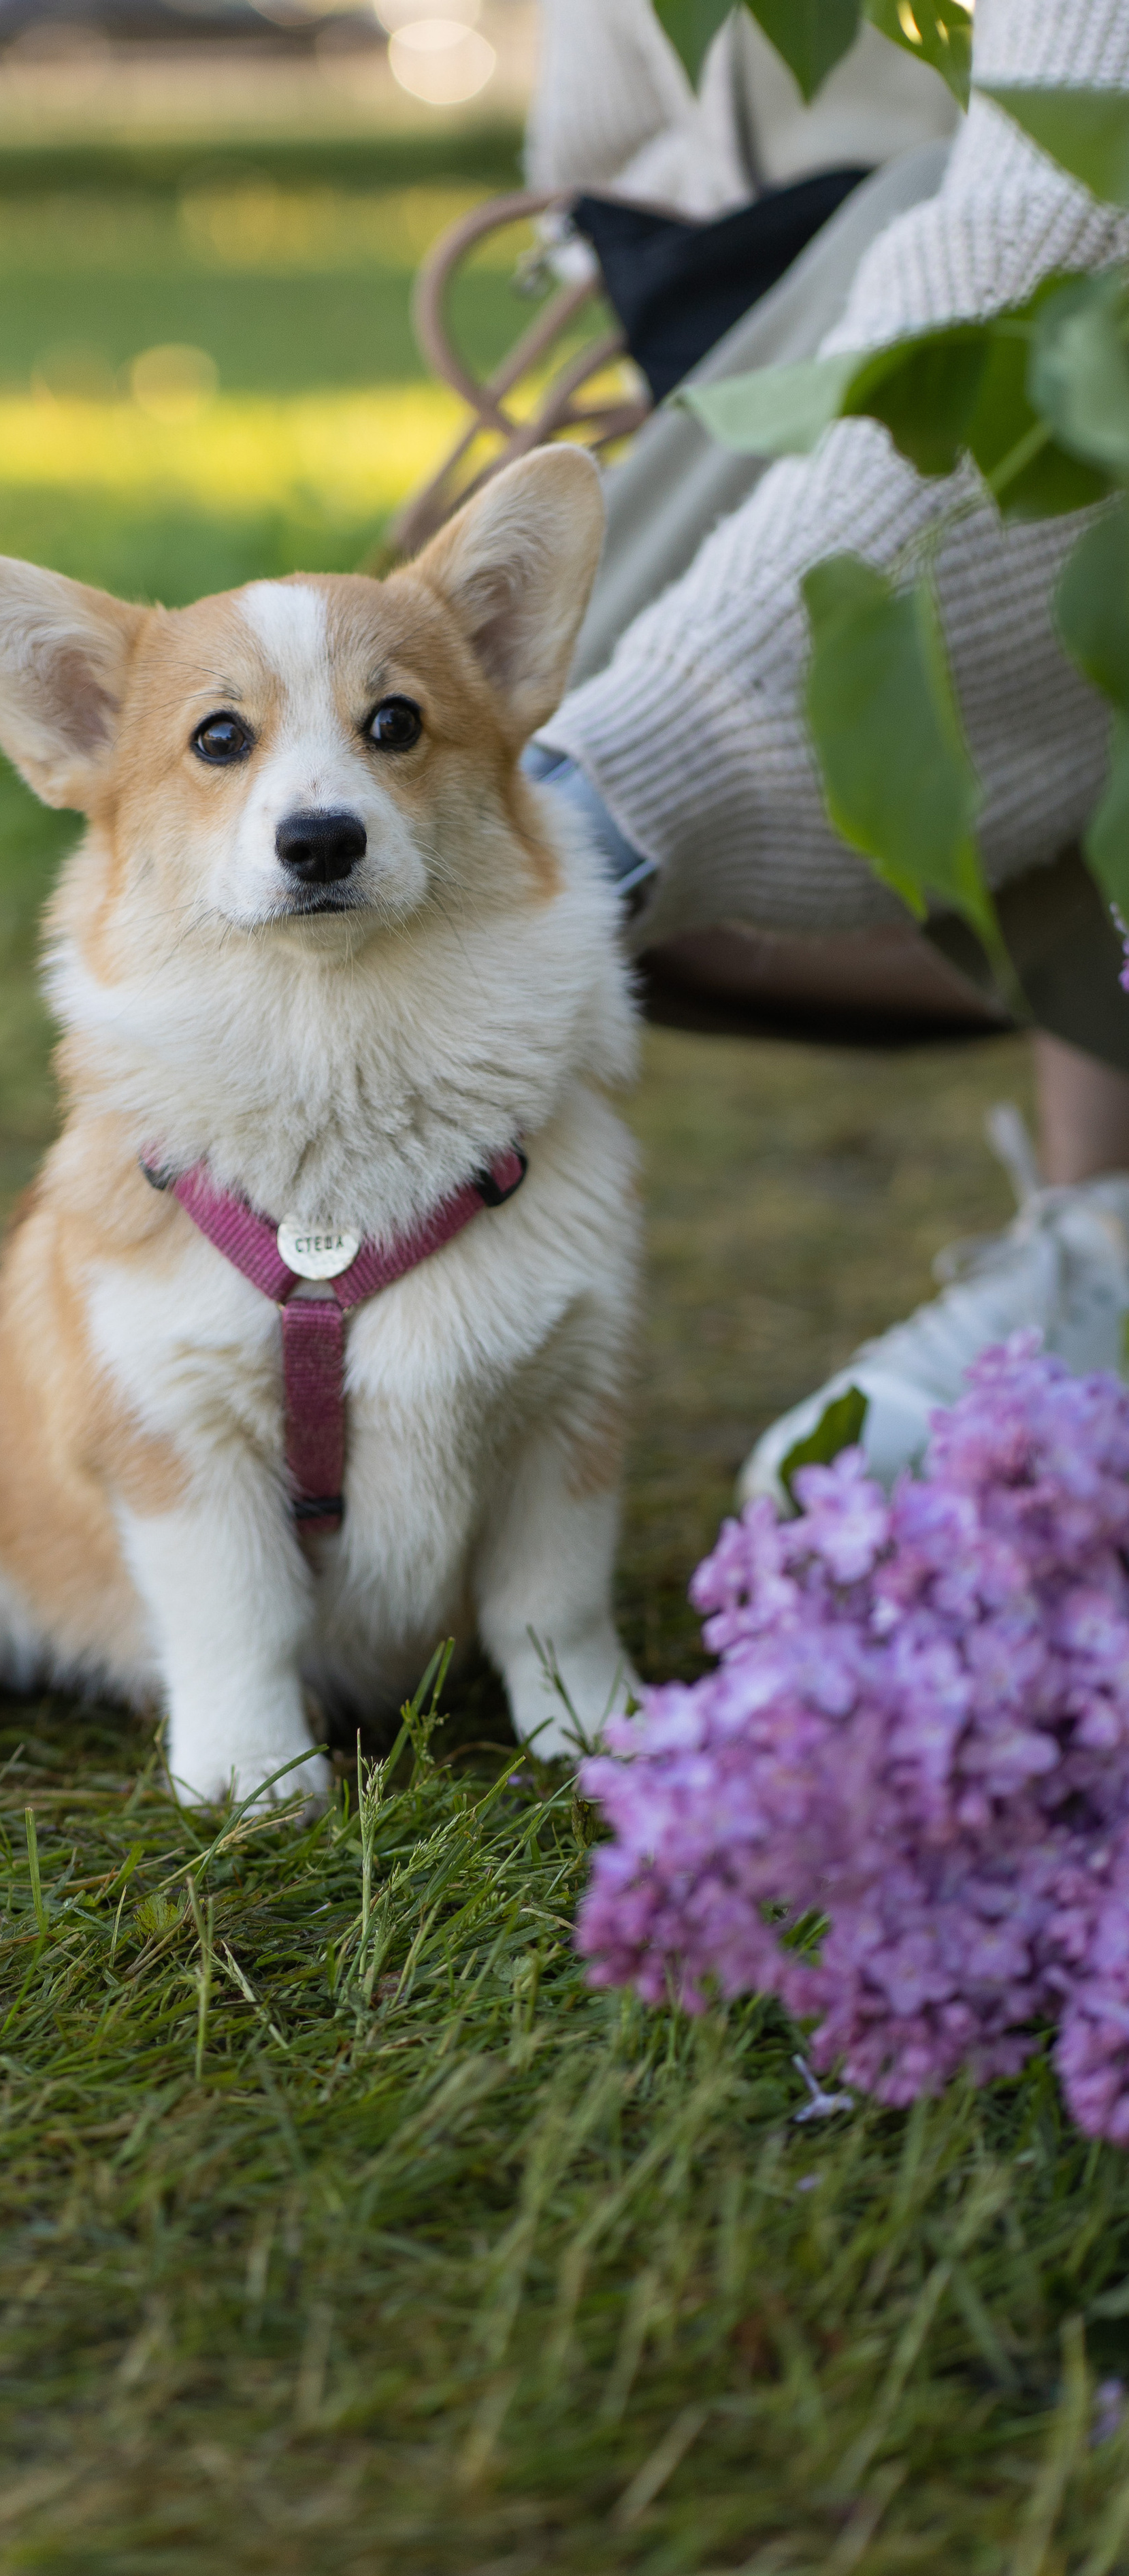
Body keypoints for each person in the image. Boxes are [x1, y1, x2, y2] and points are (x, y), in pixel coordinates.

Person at [520, 0, 1129, 1503]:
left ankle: (1106, 1234)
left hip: (983, 258)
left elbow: (1065, 211)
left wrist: (616, 786)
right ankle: (1101, 1224)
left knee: (480, 838)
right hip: (760, 261)